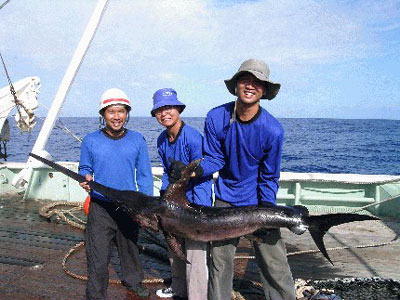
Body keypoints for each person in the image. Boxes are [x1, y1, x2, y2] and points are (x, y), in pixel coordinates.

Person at [189, 59, 295, 300]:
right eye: (245, 79)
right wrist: (194, 171)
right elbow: (215, 158)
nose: (250, 85)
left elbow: (269, 176)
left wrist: (267, 210)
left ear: (264, 90)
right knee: (220, 263)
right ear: (236, 85)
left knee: (275, 266)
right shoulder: (216, 117)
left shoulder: (273, 130)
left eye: (257, 82)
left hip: (258, 203)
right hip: (225, 202)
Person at [78, 88, 153, 300]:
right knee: (98, 255)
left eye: (121, 111)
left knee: (130, 248)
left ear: (127, 113)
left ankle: (134, 281)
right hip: (100, 206)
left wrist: (144, 205)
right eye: (111, 111)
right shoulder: (90, 140)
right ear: (103, 114)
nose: (117, 116)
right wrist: (86, 177)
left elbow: (145, 175)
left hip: (129, 206)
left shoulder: (137, 140)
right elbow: (84, 167)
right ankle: (96, 294)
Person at [151, 88, 213, 300]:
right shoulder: (161, 140)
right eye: (159, 109)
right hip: (173, 205)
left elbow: (204, 174)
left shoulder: (193, 138)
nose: (164, 113)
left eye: (168, 108)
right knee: (174, 249)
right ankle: (179, 289)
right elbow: (167, 175)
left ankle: (197, 296)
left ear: (178, 109)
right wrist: (163, 200)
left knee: (195, 254)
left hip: (195, 203)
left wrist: (190, 175)